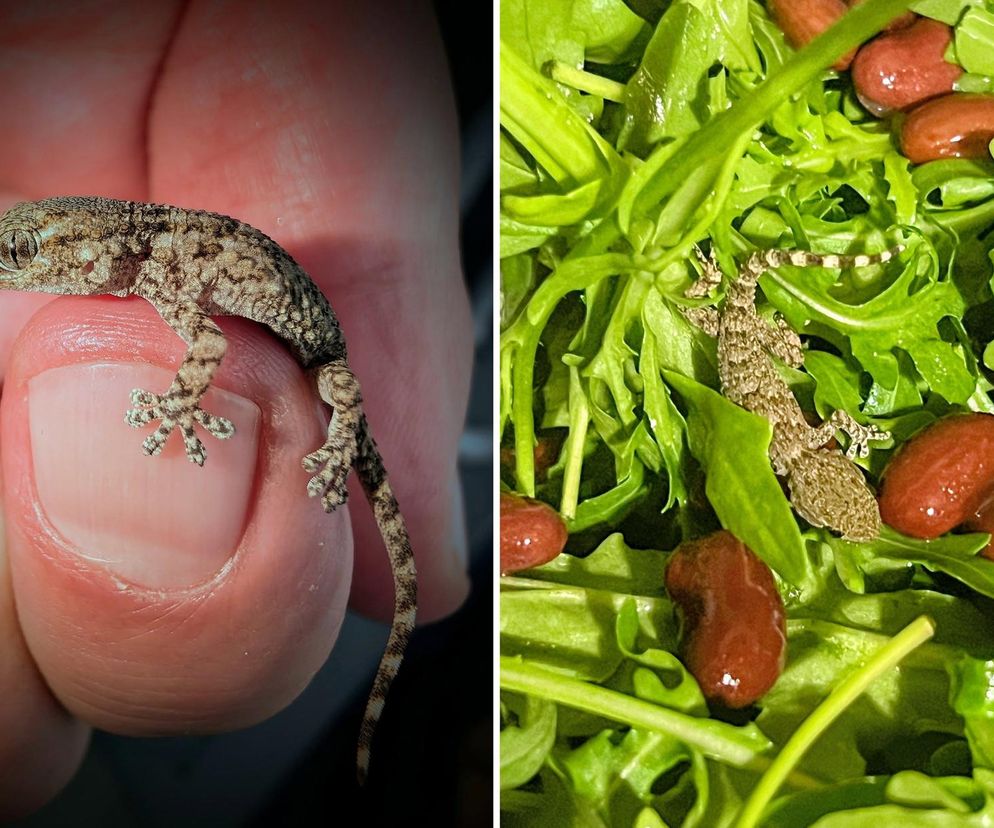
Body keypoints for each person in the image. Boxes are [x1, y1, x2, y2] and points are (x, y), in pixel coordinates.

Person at [0, 2, 473, 817]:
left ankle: (380, 693)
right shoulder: (149, 262)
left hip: (323, 356)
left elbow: (213, 353)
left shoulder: (166, 271)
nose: (13, 265)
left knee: (342, 415)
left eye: (20, 253)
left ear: (87, 250)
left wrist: (316, 445)